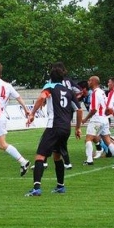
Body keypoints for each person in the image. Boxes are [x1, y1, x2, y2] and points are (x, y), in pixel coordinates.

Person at [24, 63, 82, 196]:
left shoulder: (49, 86)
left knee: (40, 156)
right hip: (65, 128)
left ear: (51, 78)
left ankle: (36, 188)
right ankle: (60, 186)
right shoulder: (69, 92)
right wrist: (78, 128)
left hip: (53, 126)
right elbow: (79, 110)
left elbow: (42, 97)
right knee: (57, 156)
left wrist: (32, 114)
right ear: (63, 78)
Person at [82, 75, 114, 165]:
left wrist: (85, 119)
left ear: (93, 82)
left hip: (96, 119)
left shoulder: (94, 93)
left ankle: (89, 160)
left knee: (88, 139)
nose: (88, 82)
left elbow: (94, 109)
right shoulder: (102, 92)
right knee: (108, 141)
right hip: (104, 119)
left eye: (89, 81)